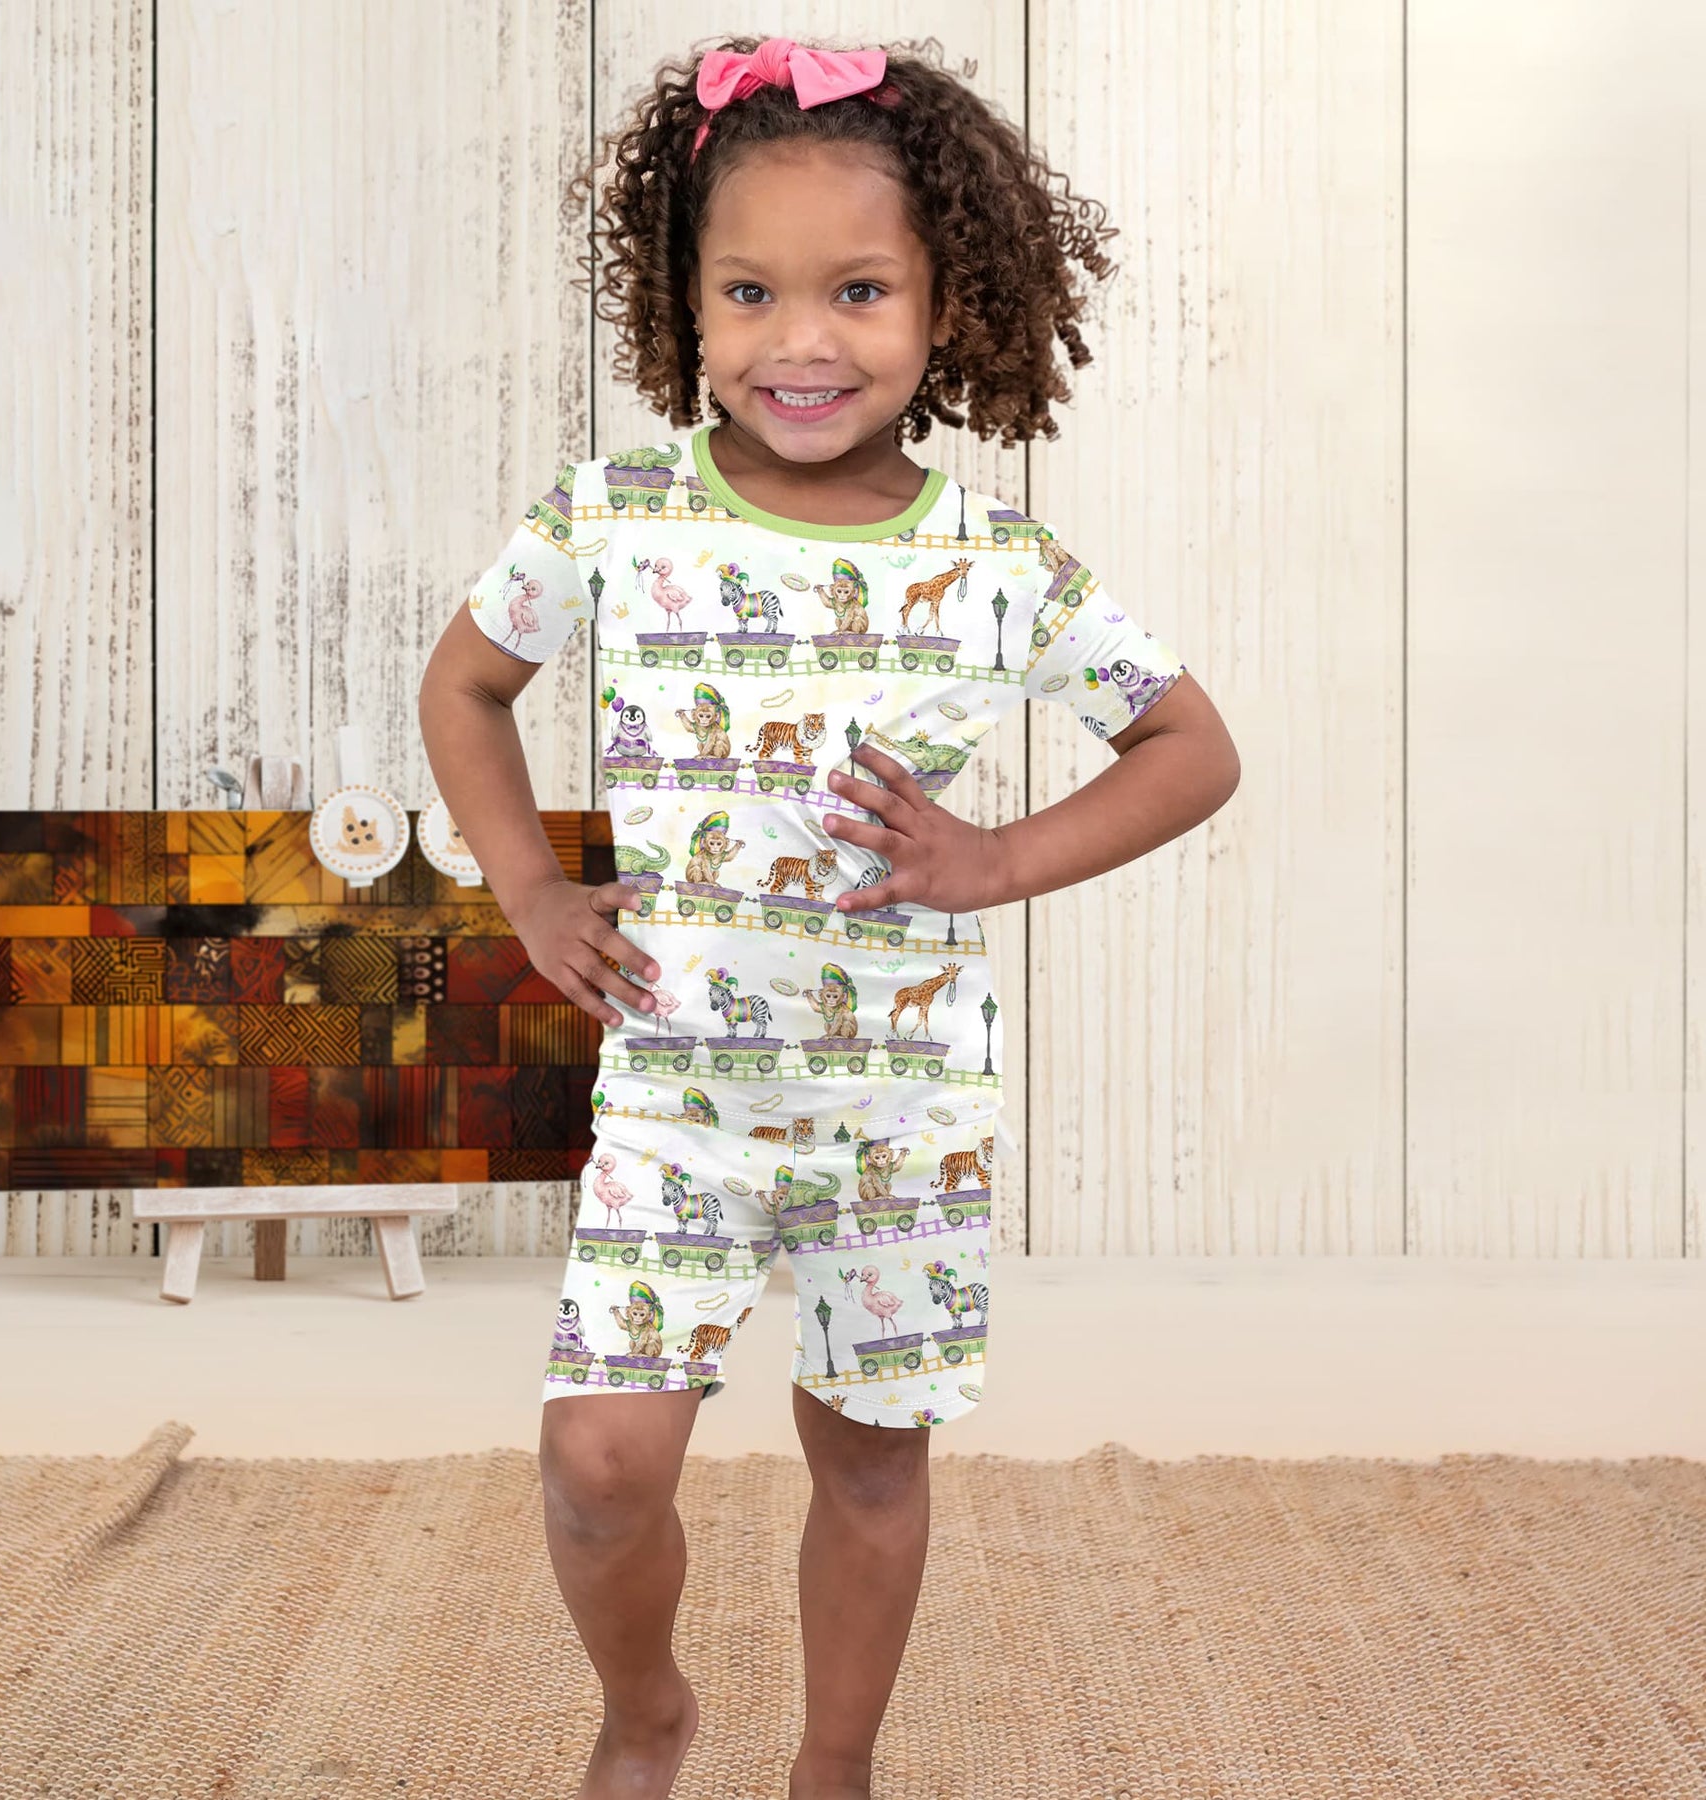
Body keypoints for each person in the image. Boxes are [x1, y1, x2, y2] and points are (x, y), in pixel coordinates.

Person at [419, 33, 1241, 1800]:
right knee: (600, 1463)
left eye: (858, 291)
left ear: (948, 306)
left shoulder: (996, 567)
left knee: (870, 1455)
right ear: (688, 303)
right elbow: (465, 688)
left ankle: (835, 1764)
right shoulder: (616, 517)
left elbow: (1192, 748)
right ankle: (646, 1711)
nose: (802, 340)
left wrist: (992, 860)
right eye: (752, 292)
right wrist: (533, 885)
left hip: (899, 1109)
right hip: (678, 1096)